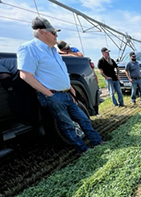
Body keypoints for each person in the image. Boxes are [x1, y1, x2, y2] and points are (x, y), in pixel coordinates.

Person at [17, 16, 103, 153]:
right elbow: (25, 75)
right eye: (53, 32)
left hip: (66, 93)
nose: (56, 35)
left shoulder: (53, 51)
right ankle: (83, 150)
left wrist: (70, 87)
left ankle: (97, 142)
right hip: (53, 96)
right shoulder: (29, 49)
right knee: (67, 125)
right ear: (41, 32)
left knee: (83, 119)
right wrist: (50, 95)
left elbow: (60, 72)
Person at [0, 58, 40, 127]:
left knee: (21, 99)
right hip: (33, 72)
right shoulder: (8, 60)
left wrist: (9, 88)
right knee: (31, 99)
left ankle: (31, 122)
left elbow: (4, 76)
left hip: (23, 74)